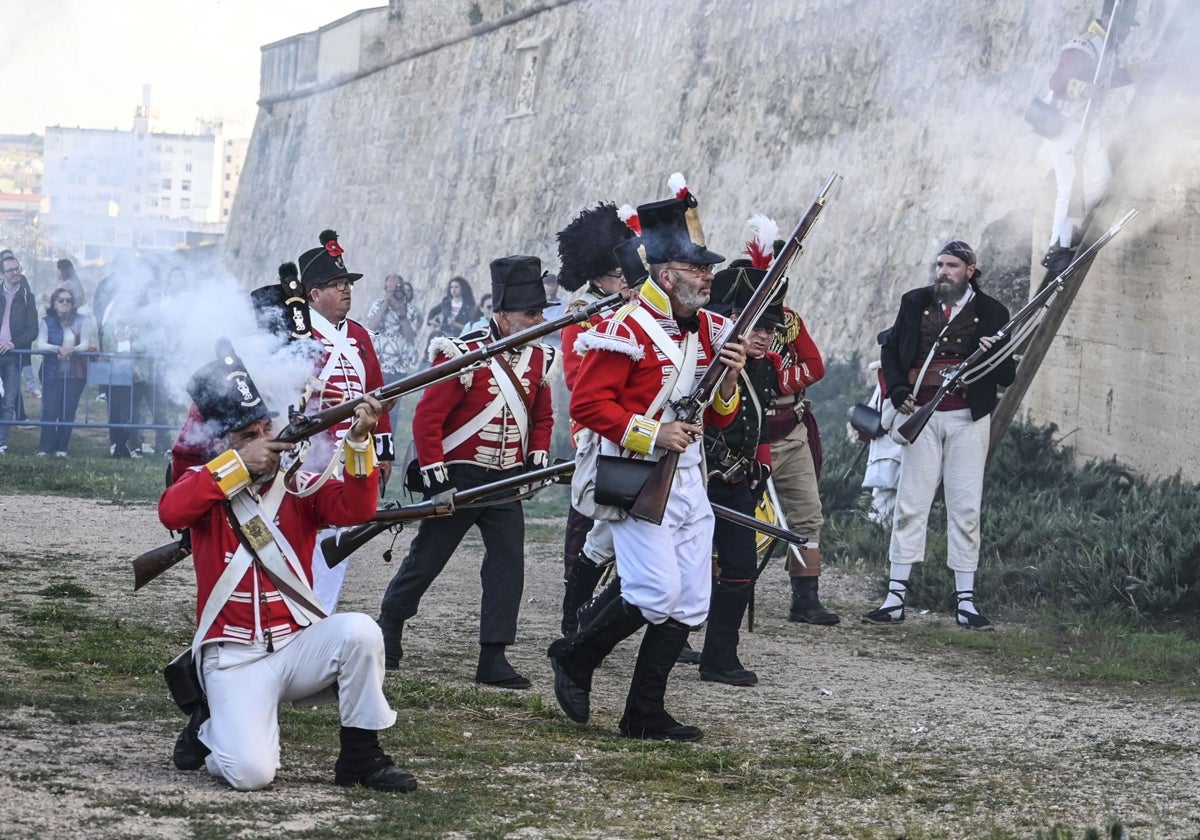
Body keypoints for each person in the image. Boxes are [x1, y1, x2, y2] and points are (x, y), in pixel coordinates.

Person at [159, 345, 416, 793]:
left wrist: (359, 440)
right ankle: (215, 723)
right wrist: (238, 465)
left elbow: (357, 508)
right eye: (248, 435)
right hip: (234, 658)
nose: (264, 440)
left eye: (266, 428)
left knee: (361, 632)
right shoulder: (206, 484)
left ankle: (360, 754)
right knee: (252, 775)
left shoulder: (297, 484)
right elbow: (171, 511)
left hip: (296, 645)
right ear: (223, 443)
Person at [549, 190, 747, 741]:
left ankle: (643, 712)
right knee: (654, 594)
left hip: (687, 478)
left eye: (708, 269)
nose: (708, 278)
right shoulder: (625, 328)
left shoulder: (711, 331)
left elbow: (723, 419)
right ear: (665, 271)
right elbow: (588, 406)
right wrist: (653, 430)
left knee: (690, 602)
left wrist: (728, 378)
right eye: (696, 267)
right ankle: (574, 657)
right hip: (634, 474)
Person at [377, 255, 556, 689]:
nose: (537, 321)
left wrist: (537, 454)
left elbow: (543, 416)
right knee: (428, 560)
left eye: (539, 313)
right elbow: (427, 418)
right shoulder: (463, 351)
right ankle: (389, 628)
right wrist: (436, 471)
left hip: (505, 479)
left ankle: (493, 656)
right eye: (529, 314)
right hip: (459, 476)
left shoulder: (539, 359)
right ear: (502, 316)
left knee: (508, 566)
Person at [863, 240, 1015, 630]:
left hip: (968, 417)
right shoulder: (915, 302)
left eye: (951, 266)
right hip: (921, 414)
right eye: (940, 265)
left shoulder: (993, 312)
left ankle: (966, 600)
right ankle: (895, 597)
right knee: (910, 504)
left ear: (970, 270)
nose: (942, 272)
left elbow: (1006, 376)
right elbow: (891, 353)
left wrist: (992, 353)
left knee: (965, 509)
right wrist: (898, 393)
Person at [699, 252, 806, 686]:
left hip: (738, 481)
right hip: (695, 479)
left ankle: (719, 658)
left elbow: (758, 428)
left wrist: (759, 468)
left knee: (741, 567)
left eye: (769, 329)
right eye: (757, 327)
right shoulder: (705, 359)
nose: (765, 337)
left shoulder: (765, 369)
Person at [298, 230, 394, 612]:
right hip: (309, 457)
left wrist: (382, 452)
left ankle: (321, 615)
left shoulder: (359, 337)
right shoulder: (296, 333)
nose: (346, 291)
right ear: (313, 293)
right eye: (336, 285)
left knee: (338, 549)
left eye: (347, 284)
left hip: (352, 455)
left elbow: (378, 394)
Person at [553, 202, 636, 636]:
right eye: (616, 273)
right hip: (597, 430)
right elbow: (575, 375)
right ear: (599, 276)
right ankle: (574, 611)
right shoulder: (584, 311)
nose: (624, 278)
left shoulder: (633, 306)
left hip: (638, 429)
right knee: (587, 520)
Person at [1037, 0, 1151, 274]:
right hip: (1065, 122)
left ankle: (1070, 231)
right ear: (1110, 19)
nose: (1126, 32)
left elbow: (1111, 80)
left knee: (1101, 178)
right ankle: (1056, 248)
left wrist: (1145, 68)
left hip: (1087, 123)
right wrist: (1083, 89)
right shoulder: (1084, 45)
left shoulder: (1107, 50)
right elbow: (1058, 82)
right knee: (1067, 185)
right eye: (1124, 25)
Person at [765, 281, 840, 625]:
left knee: (808, 516)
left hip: (791, 432)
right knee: (729, 521)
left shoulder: (789, 320)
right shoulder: (724, 320)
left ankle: (805, 600)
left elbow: (814, 365)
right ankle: (719, 598)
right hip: (746, 436)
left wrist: (776, 381)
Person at [35, 287, 94, 456]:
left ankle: (62, 448)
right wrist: (57, 349)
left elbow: (85, 343)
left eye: (68, 300)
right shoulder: (47, 321)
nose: (65, 303)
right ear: (54, 303)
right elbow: (41, 343)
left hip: (74, 375)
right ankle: (45, 448)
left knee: (68, 411)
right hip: (51, 373)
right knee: (49, 411)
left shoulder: (82, 320)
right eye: (61, 300)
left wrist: (71, 350)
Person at [365, 272, 422, 432]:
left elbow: (411, 335)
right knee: (371, 408)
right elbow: (370, 328)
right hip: (378, 366)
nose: (395, 291)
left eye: (397, 288)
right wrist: (385, 305)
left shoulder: (410, 310)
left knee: (393, 413)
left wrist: (401, 312)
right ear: (385, 290)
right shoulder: (377, 305)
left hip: (398, 369)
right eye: (391, 289)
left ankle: (388, 449)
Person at [0, 253, 39, 454]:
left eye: (17, 268)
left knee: (9, 401)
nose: (15, 273)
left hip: (12, 357)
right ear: (2, 274)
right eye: (10, 270)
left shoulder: (27, 297)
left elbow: (33, 330)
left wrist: (14, 343)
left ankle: (1, 443)